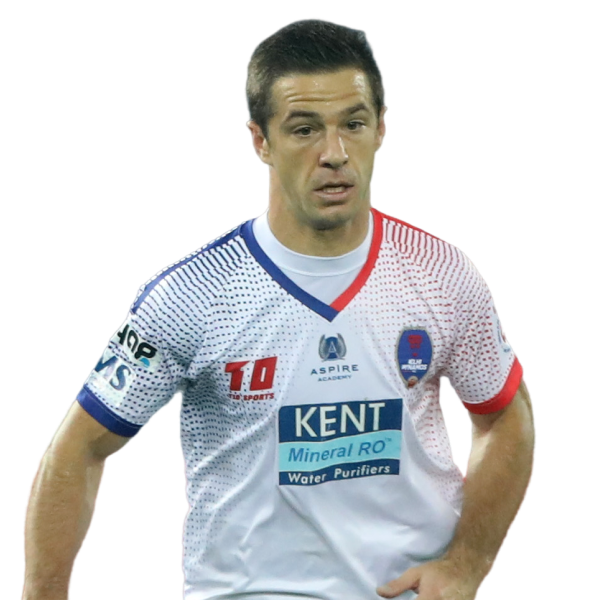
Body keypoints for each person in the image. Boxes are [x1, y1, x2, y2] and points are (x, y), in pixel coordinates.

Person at [21, 17, 536, 600]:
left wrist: (466, 562)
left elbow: (505, 416)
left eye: (353, 124)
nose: (334, 153)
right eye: (304, 129)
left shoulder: (442, 272)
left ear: (382, 128)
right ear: (259, 141)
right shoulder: (190, 294)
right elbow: (81, 447)